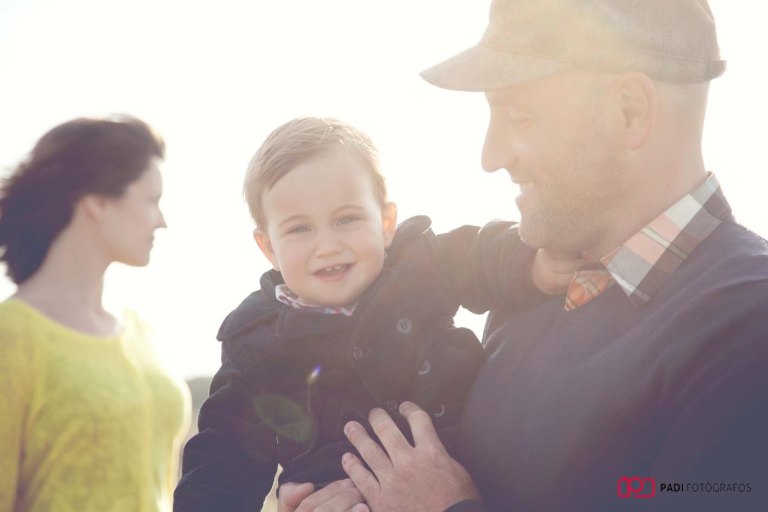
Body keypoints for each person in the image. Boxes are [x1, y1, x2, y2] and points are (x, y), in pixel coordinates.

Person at [330, 1, 768, 512]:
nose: (490, 157)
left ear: (630, 111)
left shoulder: (746, 330)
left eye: (521, 116)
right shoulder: (533, 287)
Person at [173, 117, 582, 511]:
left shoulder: (421, 264)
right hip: (339, 495)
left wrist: (531, 264)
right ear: (268, 248)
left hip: (465, 477)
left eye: (346, 219)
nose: (328, 245)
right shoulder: (258, 343)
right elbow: (222, 457)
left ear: (386, 223)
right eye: (300, 229)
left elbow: (480, 252)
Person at [0, 116, 191, 512]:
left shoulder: (144, 335)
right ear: (97, 201)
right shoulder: (12, 334)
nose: (163, 220)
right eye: (151, 200)